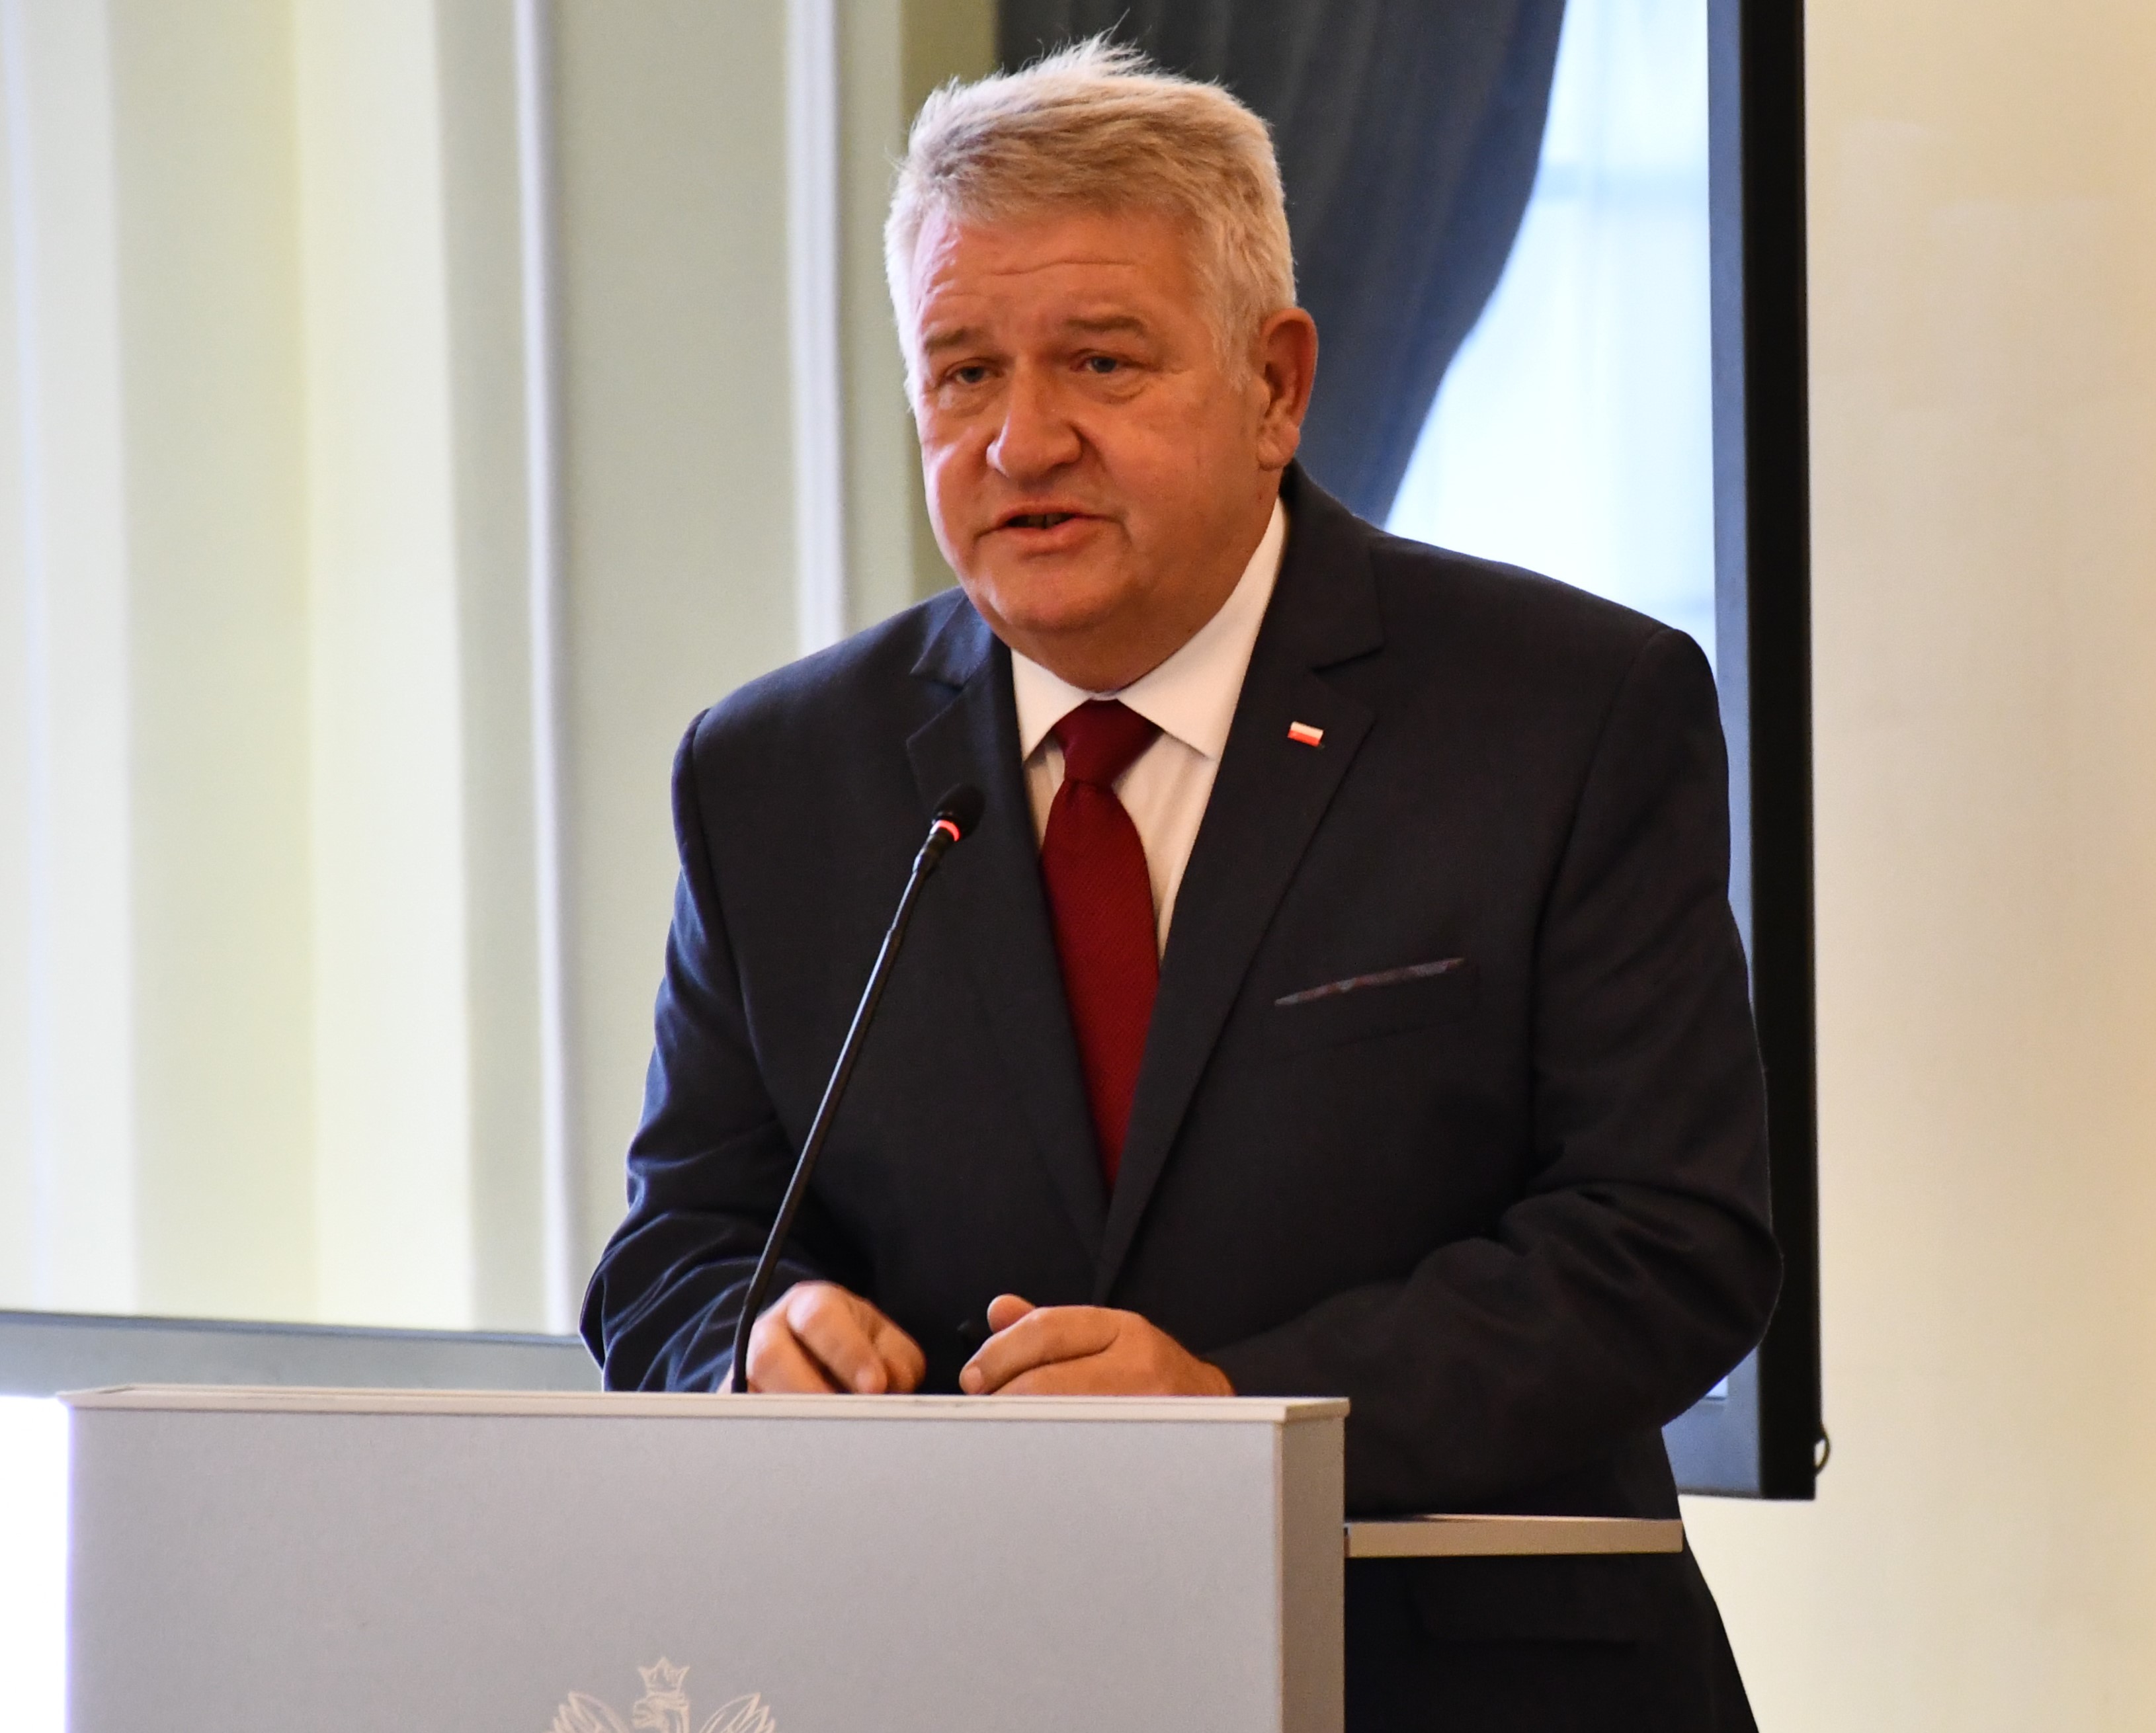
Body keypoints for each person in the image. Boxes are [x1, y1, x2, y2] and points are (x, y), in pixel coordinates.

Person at [582, 38, 1779, 1733]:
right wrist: (758, 1338)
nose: (1020, 441)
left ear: (1274, 385)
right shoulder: (776, 774)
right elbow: (675, 1253)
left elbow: (1668, 1241)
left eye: (1100, 361)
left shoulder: (1567, 712)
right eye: (962, 371)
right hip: (952, 1679)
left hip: (1461, 1680)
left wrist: (1239, 1409)